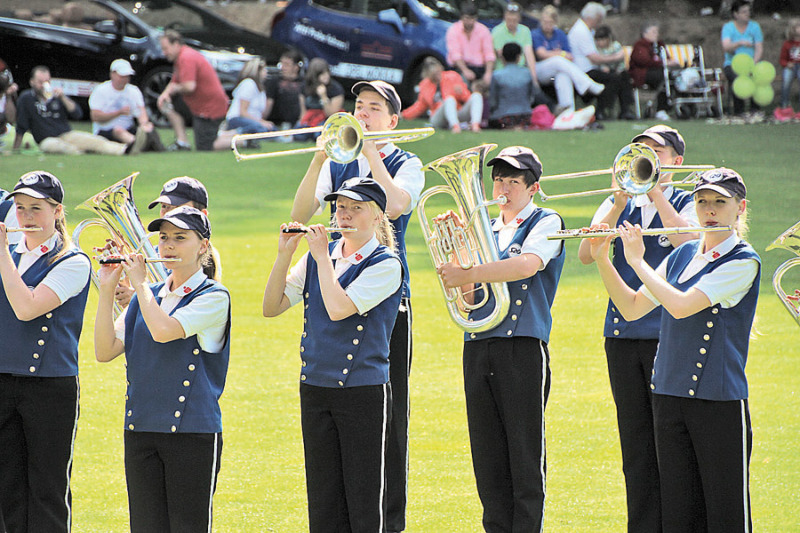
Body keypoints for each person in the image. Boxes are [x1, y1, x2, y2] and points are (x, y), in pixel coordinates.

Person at [587, 168, 759, 533]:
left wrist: (637, 262)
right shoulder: (682, 257)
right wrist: (603, 258)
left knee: (726, 515)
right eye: (702, 201)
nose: (709, 210)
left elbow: (681, 306)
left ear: (739, 208)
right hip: (667, 396)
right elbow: (632, 308)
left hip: (717, 401)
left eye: (719, 202)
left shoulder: (743, 261)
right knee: (679, 514)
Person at [290, 80, 423, 533]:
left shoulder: (407, 162)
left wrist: (369, 154)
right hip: (333, 293)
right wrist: (318, 159)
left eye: (373, 109)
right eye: (358, 106)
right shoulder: (339, 160)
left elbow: (398, 204)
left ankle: (390, 521)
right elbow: (302, 211)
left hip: (387, 304)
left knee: (389, 417)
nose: (362, 114)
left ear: (392, 121)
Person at [577, 125, 699, 533]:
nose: (646, 155)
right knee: (636, 445)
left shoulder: (687, 200)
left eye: (657, 150)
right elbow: (584, 253)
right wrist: (617, 202)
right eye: (640, 150)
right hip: (623, 338)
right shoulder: (619, 203)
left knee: (671, 443)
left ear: (676, 161)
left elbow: (688, 242)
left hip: (667, 336)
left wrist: (658, 190)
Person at [436, 147, 565, 532]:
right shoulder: (483, 229)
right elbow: (471, 298)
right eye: (498, 179)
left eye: (513, 180)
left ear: (533, 187)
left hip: (522, 347)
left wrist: (469, 268)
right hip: (478, 346)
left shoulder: (546, 221)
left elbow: (527, 265)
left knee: (524, 456)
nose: (503, 187)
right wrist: (460, 248)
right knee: (487, 456)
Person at [263, 178, 402, 533]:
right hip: (316, 387)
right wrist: (284, 255)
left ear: (377, 216)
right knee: (324, 499)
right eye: (340, 207)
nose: (345, 214)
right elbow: (271, 306)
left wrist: (322, 256)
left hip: (362, 391)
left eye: (357, 208)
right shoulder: (317, 258)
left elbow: (339, 308)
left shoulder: (385, 263)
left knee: (364, 499)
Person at [94, 206, 231, 533]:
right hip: (140, 429)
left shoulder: (214, 297)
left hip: (192, 435)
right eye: (164, 237)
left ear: (202, 246)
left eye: (180, 238)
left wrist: (140, 284)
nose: (168, 246)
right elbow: (104, 350)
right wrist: (106, 290)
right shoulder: (151, 295)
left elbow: (163, 331)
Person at [0, 171, 92, 532]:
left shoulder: (73, 261)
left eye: (36, 209)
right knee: (8, 487)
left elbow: (27, 307)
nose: (27, 218)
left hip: (50, 387)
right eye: (20, 209)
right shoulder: (10, 253)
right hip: (4, 381)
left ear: (57, 212)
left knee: (48, 490)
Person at [13, 66, 131, 155]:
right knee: (59, 147)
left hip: (66, 134)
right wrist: (16, 148)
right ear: (32, 82)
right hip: (46, 140)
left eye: (47, 81)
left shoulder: (56, 96)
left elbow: (77, 114)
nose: (44, 85)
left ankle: (125, 149)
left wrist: (63, 97)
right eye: (40, 82)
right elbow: (21, 125)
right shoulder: (26, 98)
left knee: (96, 141)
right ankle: (83, 152)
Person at [157, 30, 229, 151]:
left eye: (166, 48)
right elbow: (175, 80)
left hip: (210, 109)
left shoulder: (186, 57)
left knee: (207, 146)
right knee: (166, 103)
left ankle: (243, 141)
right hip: (199, 106)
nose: (164, 53)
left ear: (176, 44)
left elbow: (189, 86)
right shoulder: (180, 57)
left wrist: (174, 89)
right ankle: (182, 142)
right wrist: (164, 94)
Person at [568, 2, 636, 120]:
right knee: (614, 78)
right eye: (599, 19)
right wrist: (615, 57)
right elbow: (594, 58)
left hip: (593, 68)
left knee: (623, 75)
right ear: (593, 17)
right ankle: (601, 110)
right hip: (584, 71)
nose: (600, 22)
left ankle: (625, 109)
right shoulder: (581, 31)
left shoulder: (589, 31)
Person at [532, 4, 605, 114]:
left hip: (556, 70)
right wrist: (560, 53)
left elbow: (570, 56)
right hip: (539, 69)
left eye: (550, 22)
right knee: (558, 60)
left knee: (563, 75)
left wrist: (555, 54)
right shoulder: (536, 33)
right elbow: (542, 54)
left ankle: (567, 112)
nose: (547, 25)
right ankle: (587, 83)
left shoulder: (560, 34)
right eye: (544, 22)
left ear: (555, 22)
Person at [89, 59, 163, 153]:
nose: (125, 79)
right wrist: (118, 113)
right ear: (113, 74)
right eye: (122, 76)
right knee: (118, 131)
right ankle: (136, 144)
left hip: (128, 128)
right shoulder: (101, 90)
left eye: (127, 76)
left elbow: (141, 112)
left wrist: (144, 124)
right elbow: (95, 116)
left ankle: (142, 144)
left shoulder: (133, 91)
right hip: (105, 130)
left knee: (148, 128)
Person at [402, 56, 484, 133]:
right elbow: (419, 106)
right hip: (438, 116)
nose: (437, 76)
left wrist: (461, 92)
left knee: (476, 96)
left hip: (456, 112)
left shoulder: (452, 76)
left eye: (438, 72)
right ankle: (455, 127)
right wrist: (404, 115)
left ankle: (475, 125)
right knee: (449, 100)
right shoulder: (424, 85)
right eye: (434, 75)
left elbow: (467, 98)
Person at [628, 22, 681, 121]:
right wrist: (663, 63)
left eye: (657, 32)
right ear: (645, 33)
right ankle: (660, 109)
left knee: (673, 77)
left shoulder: (659, 45)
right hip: (643, 74)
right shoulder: (640, 45)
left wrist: (668, 62)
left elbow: (666, 58)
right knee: (664, 77)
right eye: (653, 32)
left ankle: (675, 106)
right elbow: (643, 61)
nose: (656, 34)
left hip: (660, 73)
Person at [721, 0, 764, 116]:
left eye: (748, 11)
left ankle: (755, 109)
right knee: (736, 78)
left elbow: (759, 48)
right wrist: (739, 43)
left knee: (757, 76)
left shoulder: (755, 27)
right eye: (744, 12)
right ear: (736, 14)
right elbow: (726, 47)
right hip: (732, 63)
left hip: (751, 63)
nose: (747, 14)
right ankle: (739, 111)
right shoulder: (728, 27)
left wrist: (754, 63)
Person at [488, 43, 539, 129]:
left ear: (502, 57)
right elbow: (532, 96)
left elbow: (493, 101)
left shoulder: (497, 75)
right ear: (518, 57)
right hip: (524, 116)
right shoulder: (527, 73)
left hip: (503, 117)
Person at [446, 1, 496, 87]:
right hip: (460, 67)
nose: (470, 22)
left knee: (491, 83)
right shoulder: (453, 30)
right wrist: (465, 70)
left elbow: (489, 53)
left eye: (472, 19)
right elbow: (455, 54)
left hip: (480, 68)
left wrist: (488, 73)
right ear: (462, 17)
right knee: (462, 83)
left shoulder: (483, 30)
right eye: (467, 18)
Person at [491, 3, 539, 87]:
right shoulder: (497, 31)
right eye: (509, 19)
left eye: (514, 20)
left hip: (522, 71)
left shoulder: (525, 31)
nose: (511, 23)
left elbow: (529, 54)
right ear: (505, 17)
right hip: (503, 71)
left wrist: (534, 78)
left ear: (519, 19)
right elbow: (502, 56)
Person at [224, 57, 273, 135]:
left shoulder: (261, 90)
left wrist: (263, 122)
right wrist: (260, 122)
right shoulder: (249, 84)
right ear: (257, 71)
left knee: (271, 128)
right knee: (259, 128)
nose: (266, 72)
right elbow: (243, 112)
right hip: (238, 119)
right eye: (264, 70)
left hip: (254, 120)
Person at [264, 48, 306, 132]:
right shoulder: (274, 81)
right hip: (275, 122)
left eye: (287, 64)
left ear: (296, 67)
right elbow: (269, 102)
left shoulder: (303, 83)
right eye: (282, 64)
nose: (283, 67)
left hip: (296, 122)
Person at [299, 57, 345, 132]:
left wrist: (323, 96)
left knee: (318, 133)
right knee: (300, 133)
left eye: (327, 72)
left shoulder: (336, 88)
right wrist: (302, 124)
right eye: (322, 74)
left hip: (327, 120)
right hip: (310, 118)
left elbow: (331, 114)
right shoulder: (305, 86)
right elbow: (303, 112)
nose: (326, 76)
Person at [775, 18, 800, 119]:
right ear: (793, 30)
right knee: (786, 79)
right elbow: (782, 60)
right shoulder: (787, 44)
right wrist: (787, 64)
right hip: (791, 66)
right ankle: (784, 107)